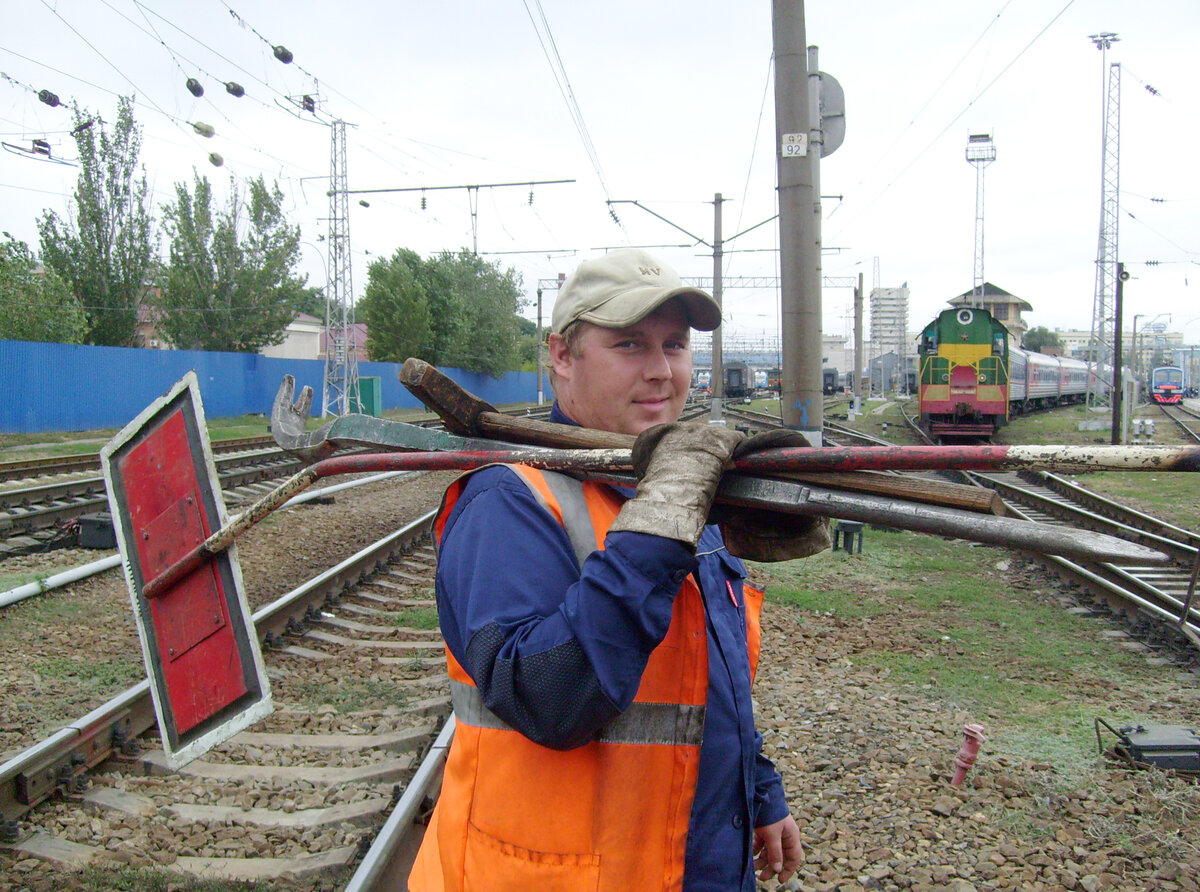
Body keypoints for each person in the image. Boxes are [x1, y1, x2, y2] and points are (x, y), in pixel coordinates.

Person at [408, 248, 827, 891]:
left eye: (675, 345)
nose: (662, 371)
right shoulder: (510, 502)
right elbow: (549, 700)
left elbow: (702, 679)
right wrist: (657, 530)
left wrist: (760, 791)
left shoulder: (677, 491)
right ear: (562, 356)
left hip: (688, 865)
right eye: (630, 345)